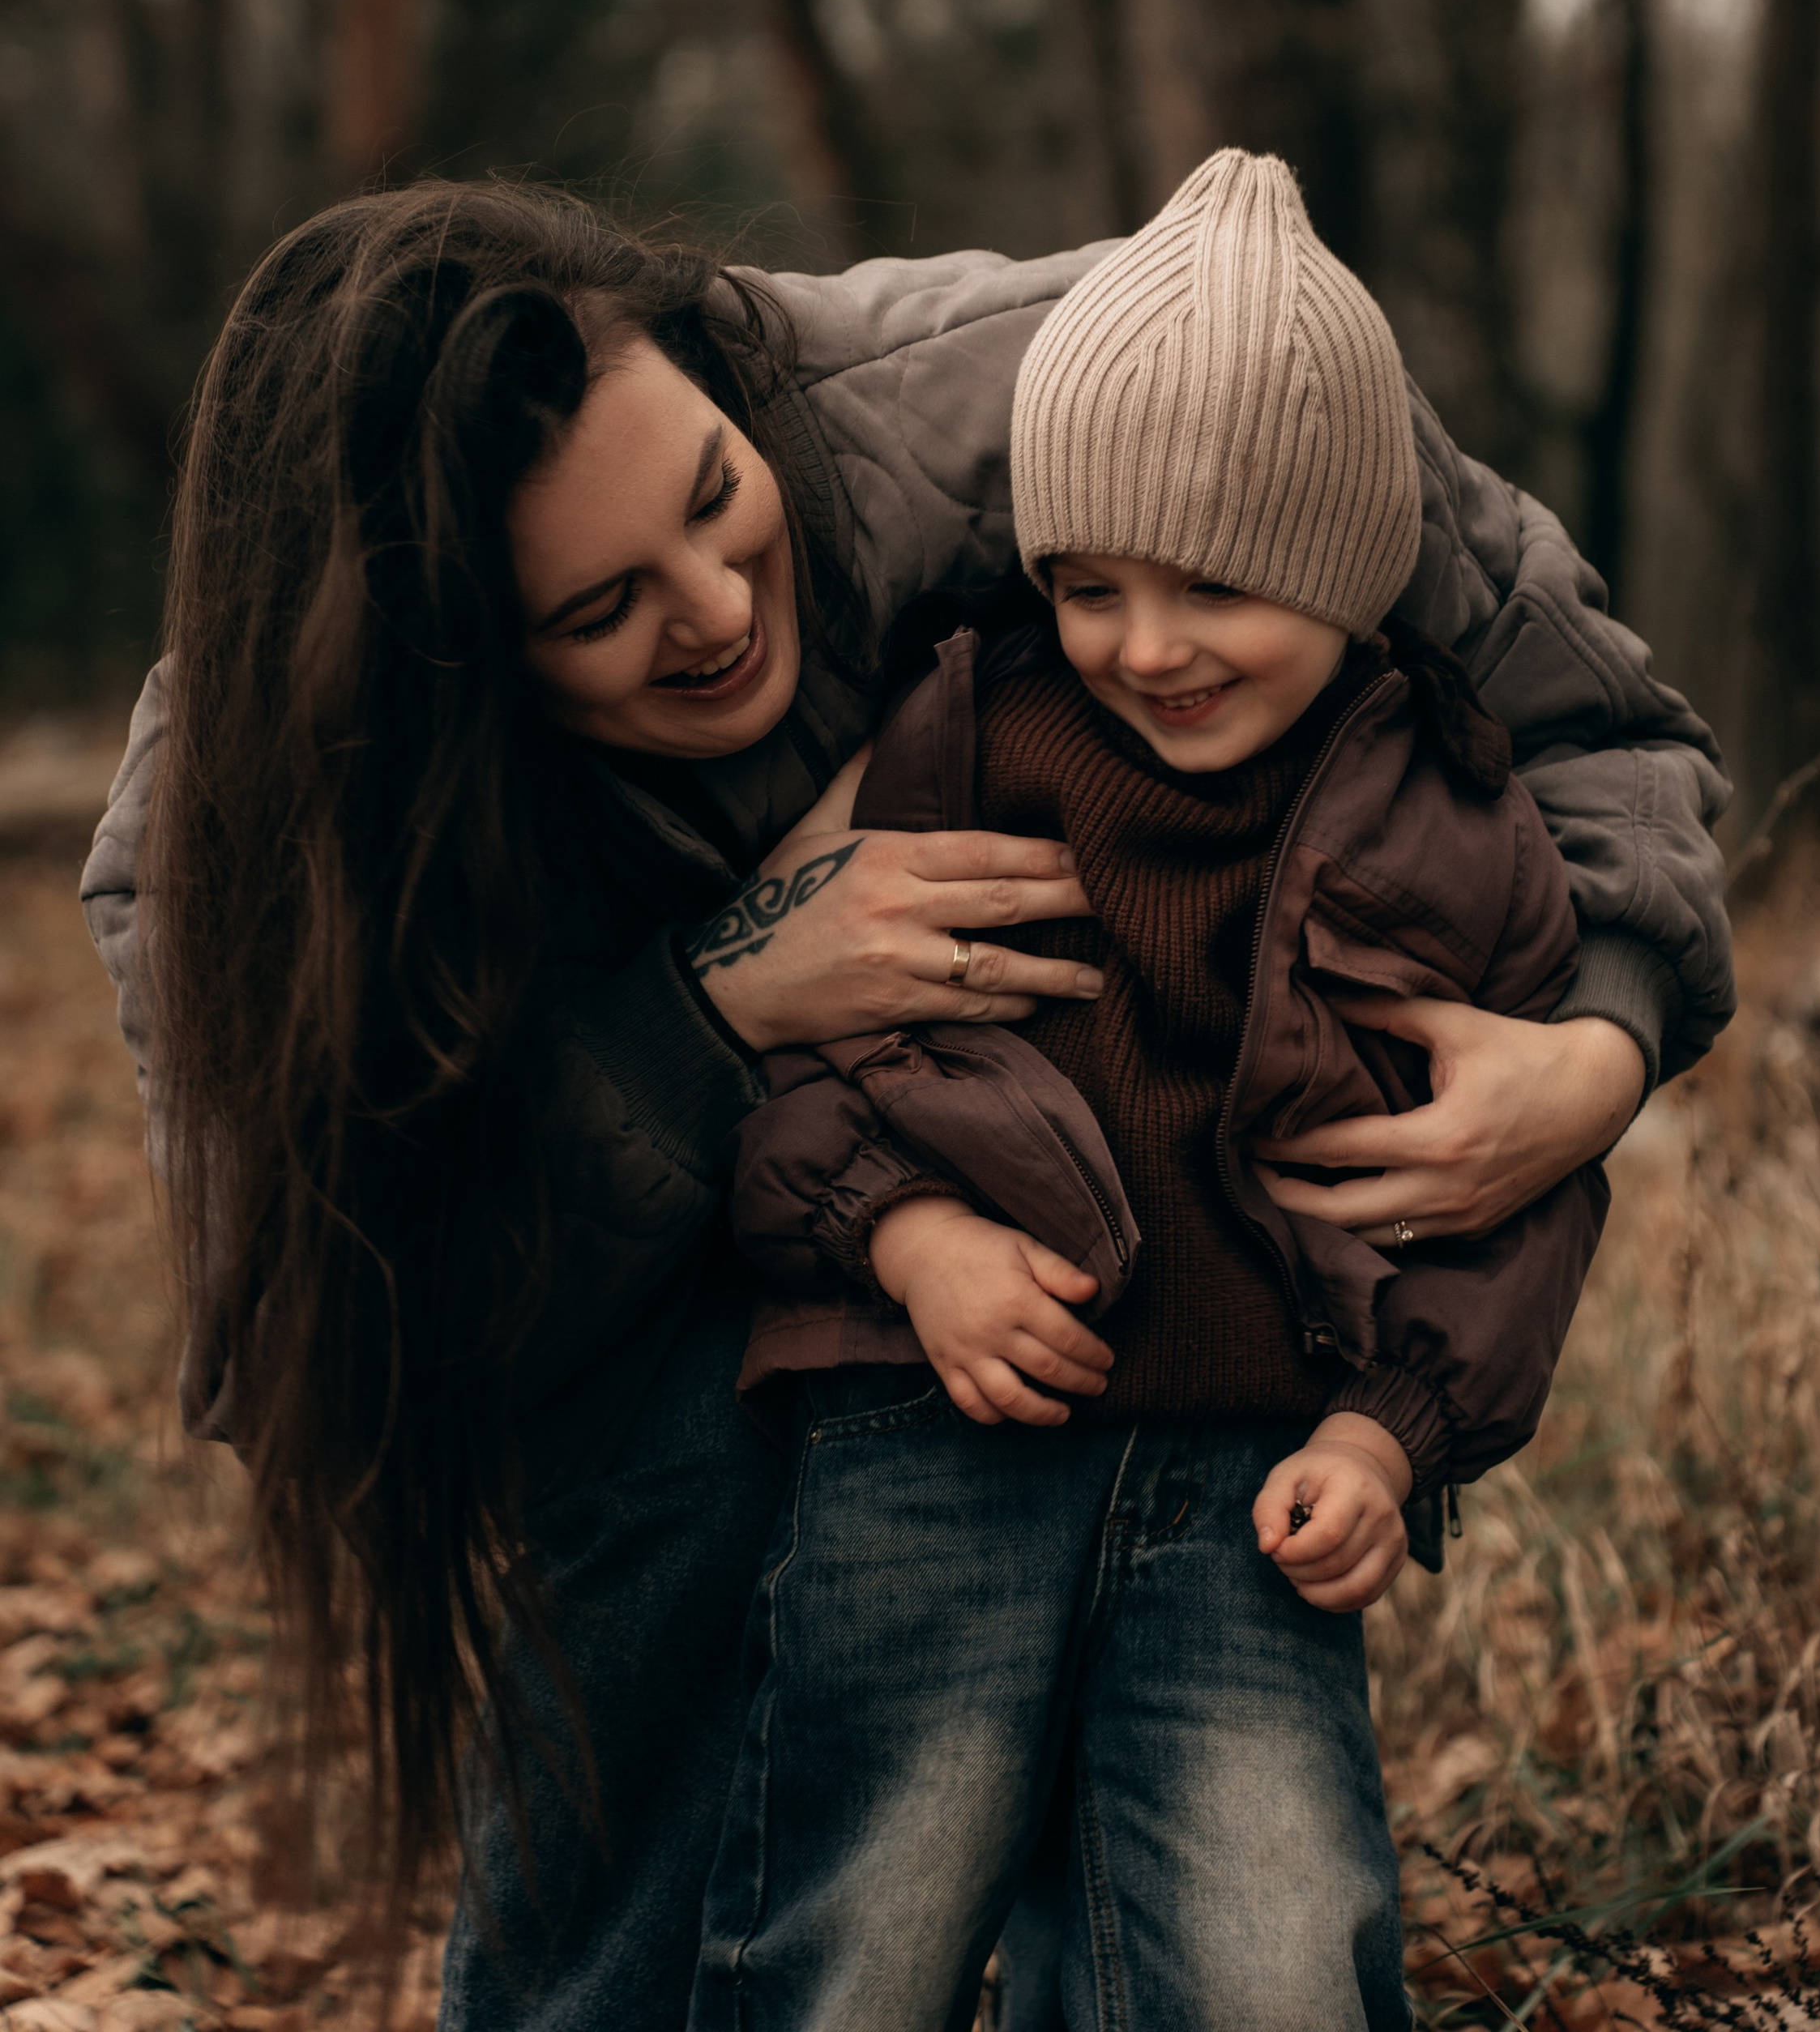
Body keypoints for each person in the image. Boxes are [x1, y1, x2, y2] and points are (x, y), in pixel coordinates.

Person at [79, 176, 1732, 2030]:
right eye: (598, 609)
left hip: (1153, 1304)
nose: (714, 611)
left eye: (713, 494)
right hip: (689, 1327)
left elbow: (1591, 727)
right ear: (442, 663)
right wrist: (715, 1009)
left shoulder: (1104, 392)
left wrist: (1592, 1051)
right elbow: (310, 1345)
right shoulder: (242, 836)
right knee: (707, 1523)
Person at [700, 154, 1609, 2032]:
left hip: (1253, 1480)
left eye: (1214, 585)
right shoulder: (961, 734)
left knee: (1275, 1955)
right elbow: (803, 1074)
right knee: (850, 1933)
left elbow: (1512, 1193)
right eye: (1088, 583)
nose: (1144, 644)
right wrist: (914, 1238)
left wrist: (1388, 1432)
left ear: (1348, 571)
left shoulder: (1454, 822)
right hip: (927, 1441)